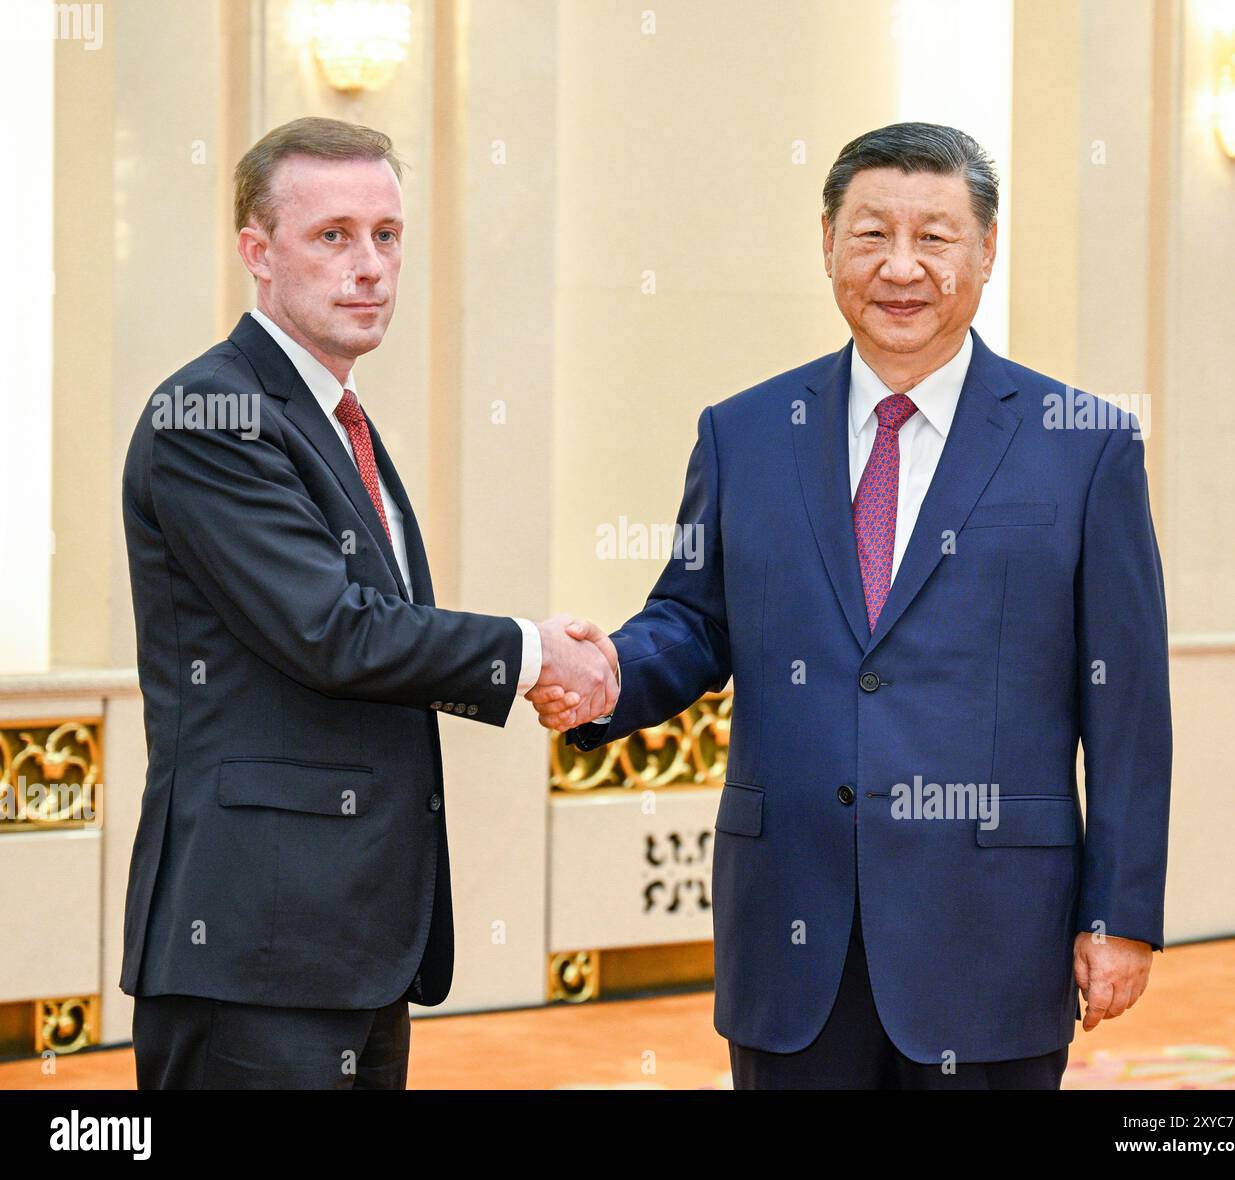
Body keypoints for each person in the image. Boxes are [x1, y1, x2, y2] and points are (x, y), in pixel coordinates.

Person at [534, 122, 1173, 1090]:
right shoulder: (745, 432)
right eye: (871, 234)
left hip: (993, 930)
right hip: (793, 928)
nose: (901, 266)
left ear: (987, 250)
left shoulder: (1081, 445)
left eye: (935, 236)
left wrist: (1117, 913)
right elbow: (696, 620)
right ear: (827, 243)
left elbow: (1126, 704)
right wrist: (610, 675)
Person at [121, 117, 617, 1089]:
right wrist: (533, 653)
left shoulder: (332, 411)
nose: (371, 268)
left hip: (351, 947)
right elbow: (332, 632)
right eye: (333, 236)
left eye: (387, 236)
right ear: (256, 254)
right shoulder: (209, 414)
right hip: (253, 950)